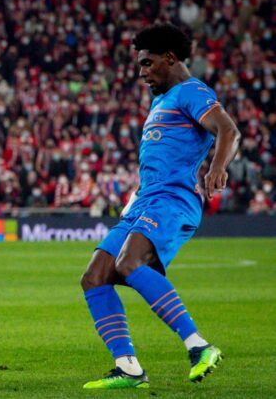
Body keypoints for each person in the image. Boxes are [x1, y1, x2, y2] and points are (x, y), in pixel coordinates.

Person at [80, 23, 240, 389]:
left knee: (129, 262)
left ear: (170, 58)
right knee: (95, 276)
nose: (142, 72)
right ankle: (128, 368)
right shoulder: (160, 101)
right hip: (146, 199)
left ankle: (199, 346)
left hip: (173, 199)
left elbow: (229, 130)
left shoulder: (191, 91)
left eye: (147, 63)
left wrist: (217, 168)